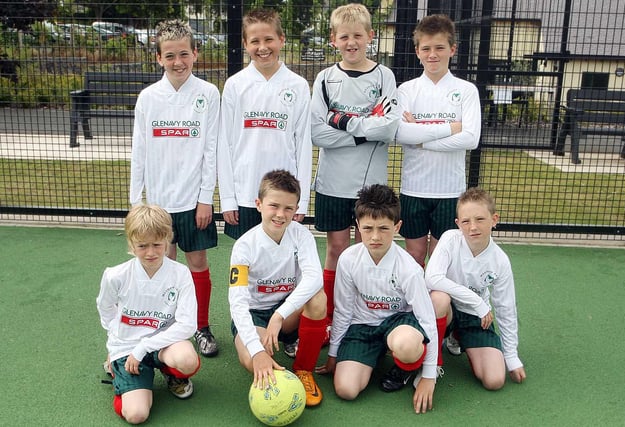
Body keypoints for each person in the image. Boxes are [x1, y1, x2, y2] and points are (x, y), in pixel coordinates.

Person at [129, 19, 220, 357]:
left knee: (197, 262)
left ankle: (202, 327)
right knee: (162, 264)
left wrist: (204, 199)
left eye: (184, 53)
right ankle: (164, 327)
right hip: (158, 204)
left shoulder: (208, 94)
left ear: (195, 53)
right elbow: (139, 151)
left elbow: (210, 149)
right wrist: (135, 202)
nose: (178, 62)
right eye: (170, 56)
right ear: (159, 59)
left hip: (193, 203)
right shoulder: (148, 98)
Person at [310, 3, 401, 330]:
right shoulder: (325, 78)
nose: (351, 42)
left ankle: (366, 318)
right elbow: (317, 133)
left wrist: (343, 121)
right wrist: (365, 130)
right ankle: (330, 320)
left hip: (371, 188)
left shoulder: (384, 76)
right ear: (334, 39)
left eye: (358, 36)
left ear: (370, 37)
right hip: (333, 183)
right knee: (336, 249)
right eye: (344, 36)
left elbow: (389, 129)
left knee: (369, 250)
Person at [317, 184, 439, 414]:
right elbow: (343, 310)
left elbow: (426, 318)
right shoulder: (348, 260)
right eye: (368, 228)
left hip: (398, 325)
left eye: (384, 228)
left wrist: (429, 375)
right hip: (362, 327)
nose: (375, 236)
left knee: (407, 345)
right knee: (346, 390)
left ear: (397, 227)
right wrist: (333, 354)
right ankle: (371, 355)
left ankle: (407, 367)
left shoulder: (409, 268)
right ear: (357, 227)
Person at [228, 170, 328, 407]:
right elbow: (238, 302)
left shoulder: (302, 236)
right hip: (256, 316)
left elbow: (314, 278)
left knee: (318, 299)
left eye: (288, 208)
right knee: (254, 361)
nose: (281, 215)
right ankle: (282, 371)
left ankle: (303, 369)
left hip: (287, 313)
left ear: (295, 209)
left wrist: (280, 314)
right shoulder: (244, 246)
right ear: (259, 204)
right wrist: (256, 350)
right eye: (274, 206)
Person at [97, 204, 200, 424]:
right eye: (142, 246)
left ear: (168, 240)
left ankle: (170, 373)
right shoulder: (115, 275)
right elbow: (105, 307)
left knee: (188, 360)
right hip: (127, 348)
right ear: (131, 244)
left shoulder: (180, 274)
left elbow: (188, 325)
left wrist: (144, 347)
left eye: (157, 244)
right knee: (136, 415)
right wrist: (116, 337)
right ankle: (118, 372)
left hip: (163, 344)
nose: (151, 252)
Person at [217, 8, 312, 240]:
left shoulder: (297, 86)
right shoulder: (235, 85)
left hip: (285, 197)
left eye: (269, 39)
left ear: (281, 39)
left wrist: (303, 200)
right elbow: (224, 145)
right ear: (244, 43)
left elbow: (304, 147)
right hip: (245, 193)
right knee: (245, 260)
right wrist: (228, 198)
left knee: (283, 259)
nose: (262, 47)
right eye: (255, 41)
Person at [395, 14, 481, 266]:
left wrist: (421, 137)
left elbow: (470, 138)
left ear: (452, 49)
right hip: (413, 188)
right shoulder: (406, 90)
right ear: (417, 52)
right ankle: (414, 306)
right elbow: (401, 134)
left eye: (440, 48)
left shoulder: (466, 90)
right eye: (426, 48)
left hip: (450, 191)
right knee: (414, 256)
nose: (433, 54)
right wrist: (450, 128)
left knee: (441, 260)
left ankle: (440, 307)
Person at [425, 187, 527, 390]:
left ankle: (458, 338)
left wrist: (512, 356)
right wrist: (477, 301)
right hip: (450, 310)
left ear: (494, 219)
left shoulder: (500, 261)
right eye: (465, 221)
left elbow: (505, 308)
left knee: (494, 381)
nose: (473, 227)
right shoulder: (450, 239)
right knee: (439, 298)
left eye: (480, 219)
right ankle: (434, 362)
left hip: (475, 318)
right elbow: (432, 278)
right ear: (458, 224)